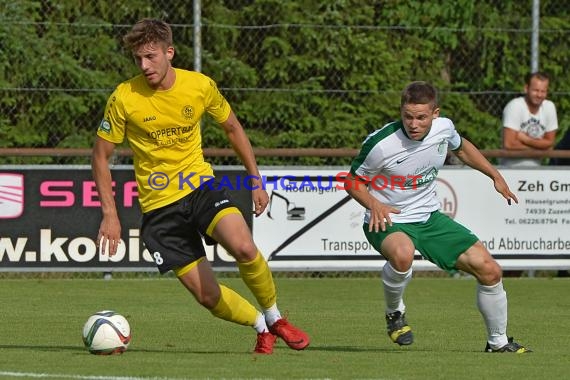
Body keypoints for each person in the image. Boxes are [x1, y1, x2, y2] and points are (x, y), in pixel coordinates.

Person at [91, 18, 309, 355]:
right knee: (207, 296)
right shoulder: (124, 97)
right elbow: (101, 157)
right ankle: (261, 326)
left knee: (244, 247)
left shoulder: (200, 86)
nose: (144, 65)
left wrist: (255, 181)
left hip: (200, 188)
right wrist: (110, 214)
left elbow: (233, 128)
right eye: (138, 59)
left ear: (170, 52)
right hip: (159, 210)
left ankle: (276, 316)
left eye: (151, 56)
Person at [343, 81, 531, 353]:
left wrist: (495, 176)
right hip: (386, 220)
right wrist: (374, 204)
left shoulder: (444, 128)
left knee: (490, 270)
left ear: (435, 114)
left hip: (429, 219)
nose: (413, 124)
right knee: (403, 253)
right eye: (408, 116)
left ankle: (498, 342)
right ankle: (395, 314)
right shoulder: (381, 145)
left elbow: (463, 148)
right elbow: (352, 182)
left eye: (421, 117)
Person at [501, 71, 558, 167]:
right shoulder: (515, 106)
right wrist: (539, 146)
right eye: (536, 90)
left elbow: (549, 143)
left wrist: (525, 139)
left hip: (537, 169)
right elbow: (509, 144)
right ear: (526, 88)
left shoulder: (549, 107)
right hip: (511, 168)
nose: (539, 95)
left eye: (543, 91)